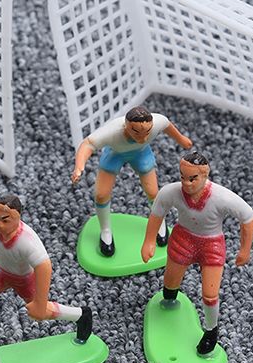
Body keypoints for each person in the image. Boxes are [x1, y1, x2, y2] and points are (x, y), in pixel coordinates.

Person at [0, 194, 93, 363]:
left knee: (44, 312)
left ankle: (80, 315)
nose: (0, 224)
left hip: (23, 280)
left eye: (5, 220)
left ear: (17, 217)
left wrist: (39, 304)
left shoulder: (27, 241)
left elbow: (44, 266)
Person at [141, 152, 253, 356]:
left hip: (211, 245)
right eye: (182, 176)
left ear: (204, 175)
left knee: (210, 294)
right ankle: (169, 299)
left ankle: (211, 331)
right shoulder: (172, 192)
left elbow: (247, 216)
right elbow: (157, 211)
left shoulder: (220, 197)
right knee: (170, 282)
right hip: (183, 239)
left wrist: (245, 249)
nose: (186, 183)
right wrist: (149, 241)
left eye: (192, 178)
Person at [72, 106, 192, 255]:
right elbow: (87, 144)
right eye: (137, 133)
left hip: (141, 154)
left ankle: (159, 222)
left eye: (147, 133)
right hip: (115, 155)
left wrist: (181, 139)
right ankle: (106, 231)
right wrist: (79, 165)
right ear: (126, 126)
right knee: (101, 194)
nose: (143, 138)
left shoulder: (157, 122)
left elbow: (167, 125)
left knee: (153, 192)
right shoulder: (112, 132)